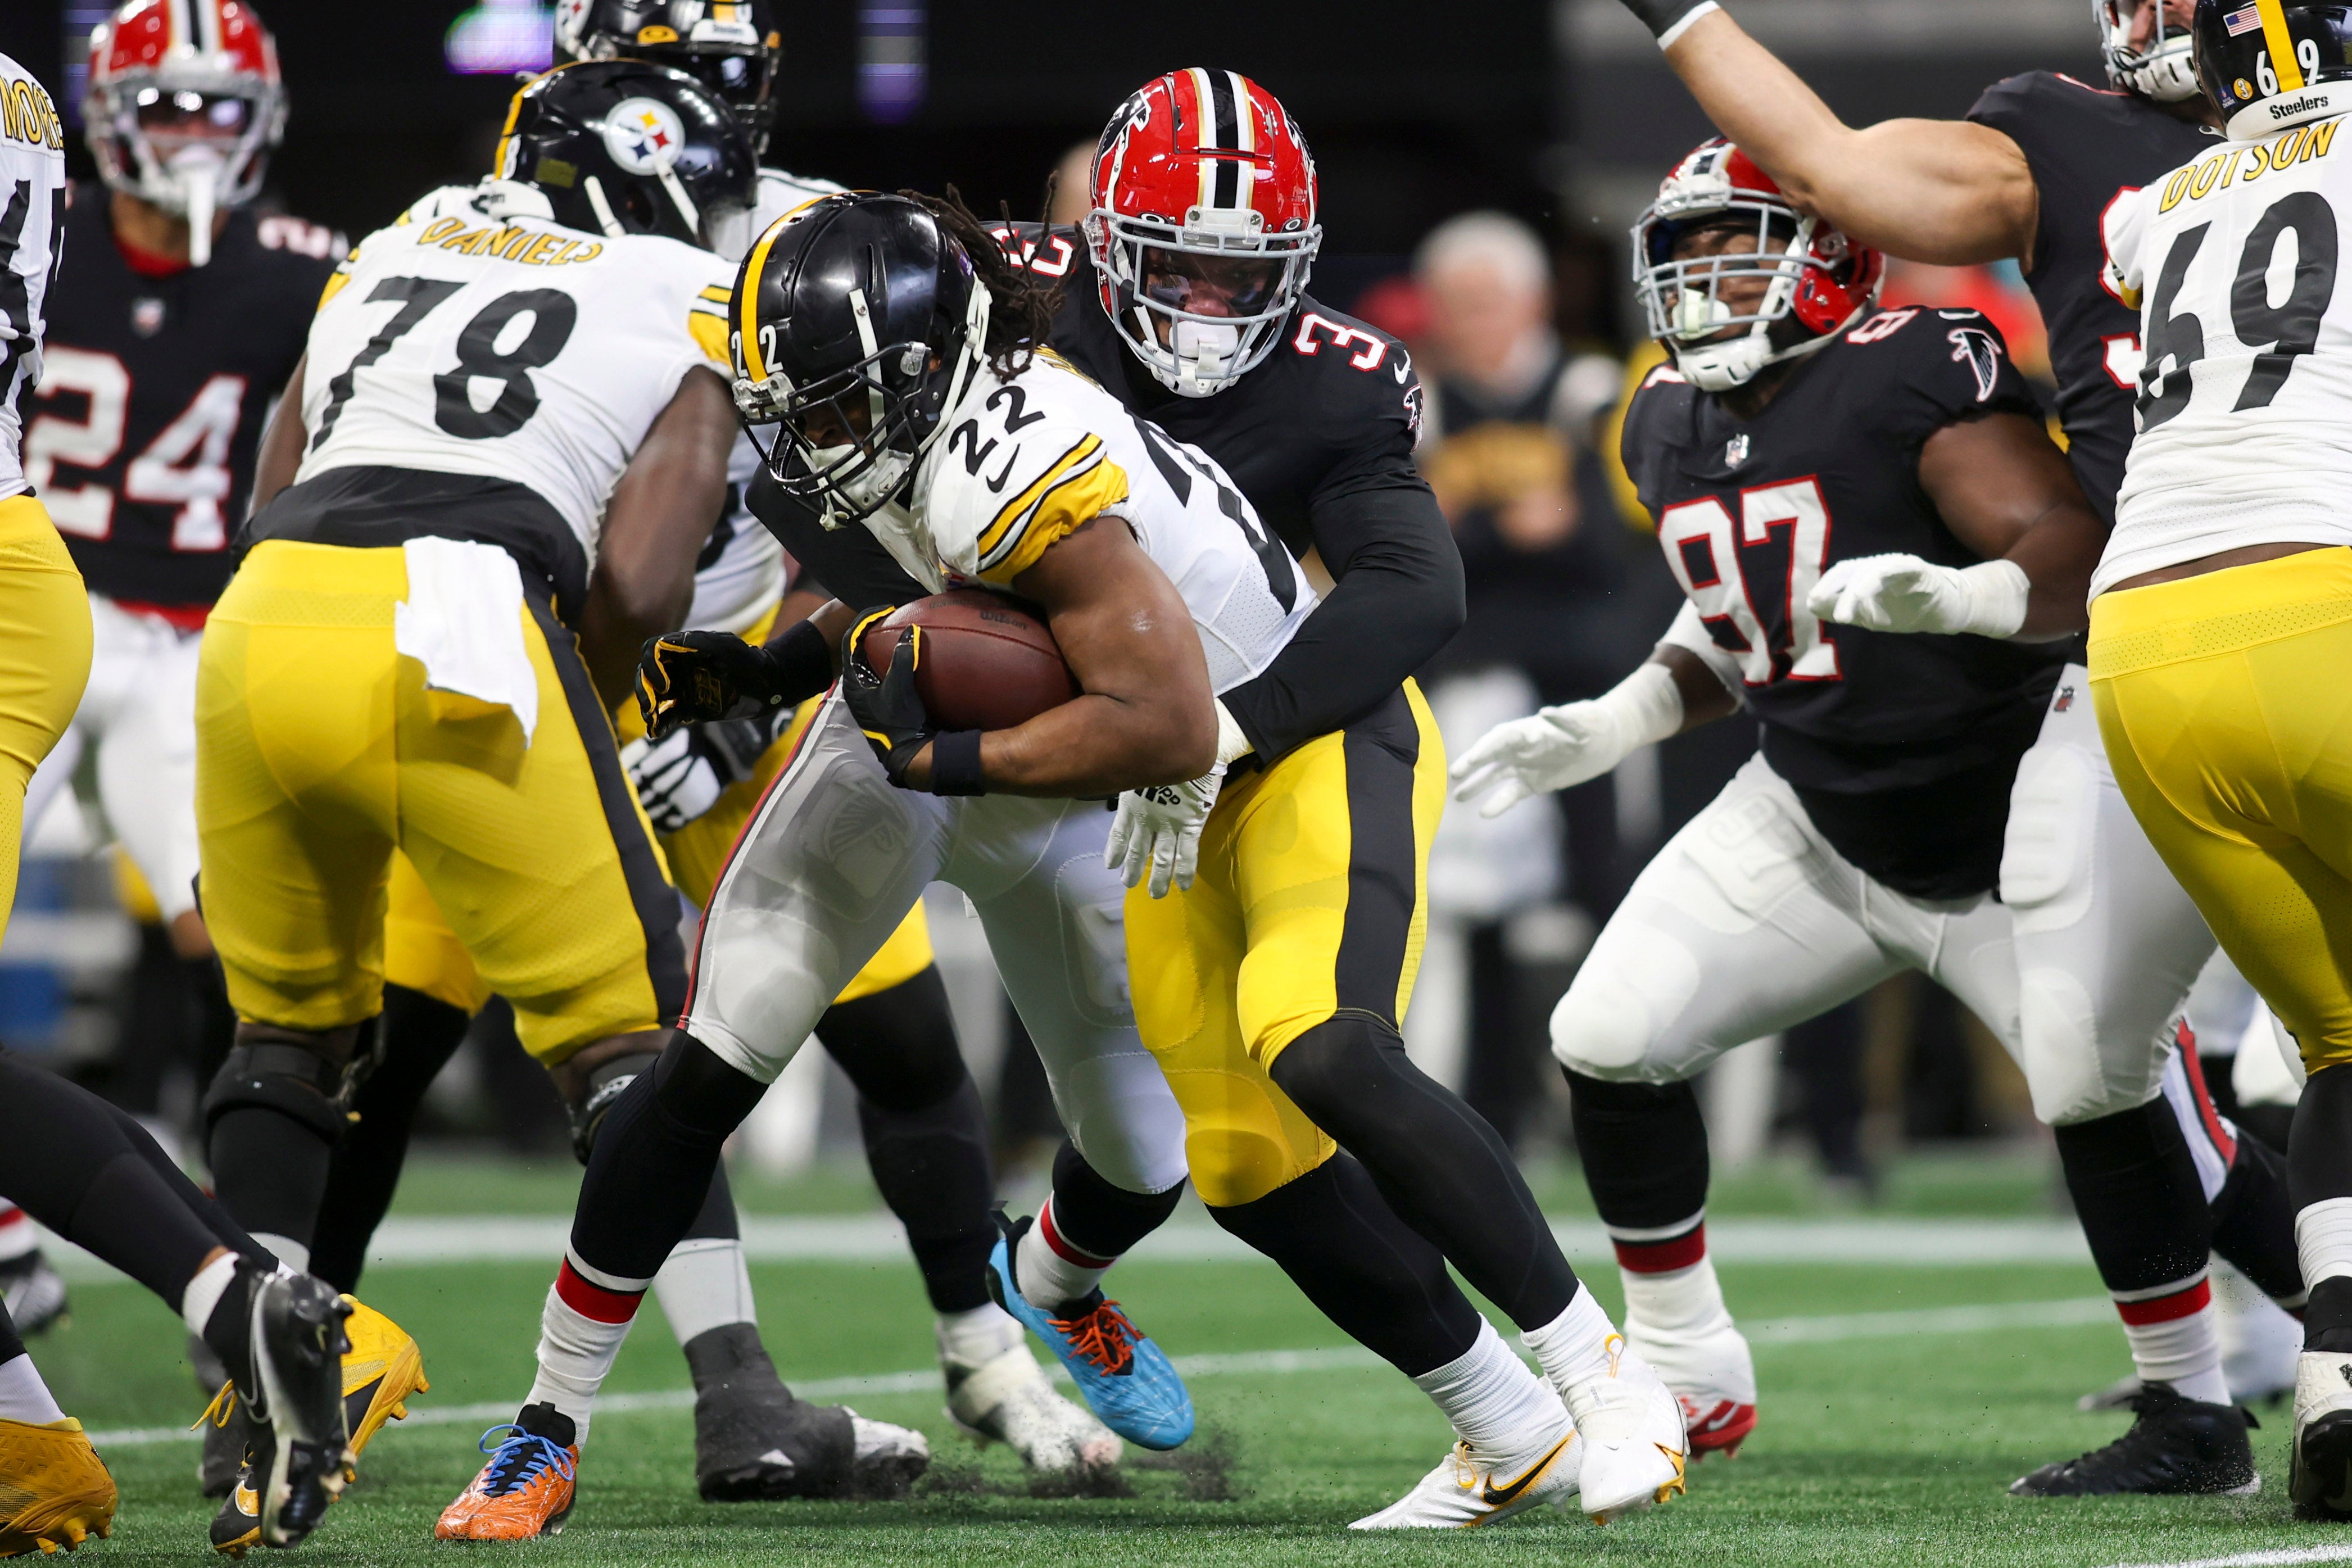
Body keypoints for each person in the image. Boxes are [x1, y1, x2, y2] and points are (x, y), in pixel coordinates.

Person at [297, 0, 1116, 1493]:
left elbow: (897, 485)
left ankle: (982, 1359)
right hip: (528, 682)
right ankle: (299, 1353)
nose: (695, 117)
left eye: (719, 86)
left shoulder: (802, 237)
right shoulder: (494, 221)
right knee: (392, 1043)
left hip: (723, 687)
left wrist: (754, 679)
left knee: (901, 1047)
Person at [1454, 137, 2270, 1498]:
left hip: (2010, 812)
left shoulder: (1909, 364)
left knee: (2114, 1095)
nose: (1702, 281)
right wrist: (1623, 717)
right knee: (1605, 1036)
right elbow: (1746, 622)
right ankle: (1690, 1368)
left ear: (1828, 251)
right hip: (1816, 814)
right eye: (1688, 254)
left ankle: (2213, 1393)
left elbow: (2071, 558)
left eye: (1734, 247)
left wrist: (1960, 600)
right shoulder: (1663, 418)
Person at [0, 53, 382, 1557]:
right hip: (45, 567)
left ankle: (240, 1291)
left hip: (151, 620)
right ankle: (40, 1411)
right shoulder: (41, 136)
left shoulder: (288, 266)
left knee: (228, 943)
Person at [2090, 0, 2352, 1516]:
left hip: (2145, 652)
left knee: (2337, 1030)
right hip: (2316, 600)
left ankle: (2335, 1366)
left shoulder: (2160, 203)